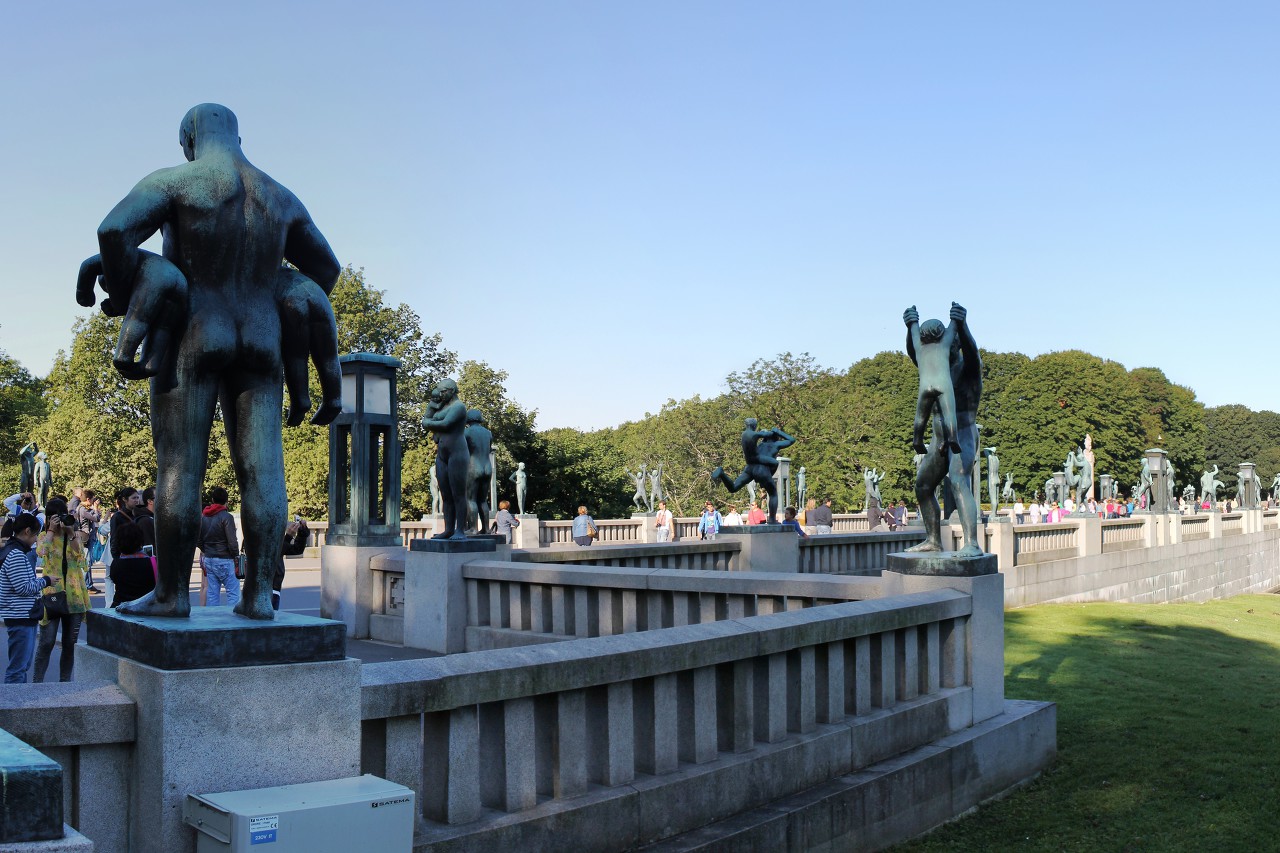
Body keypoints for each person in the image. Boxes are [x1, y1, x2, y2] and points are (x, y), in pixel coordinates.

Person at [90, 104, 342, 621]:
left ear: (189, 138)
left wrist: (125, 289)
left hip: (195, 329)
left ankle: (172, 594)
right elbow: (326, 269)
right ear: (238, 135)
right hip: (262, 336)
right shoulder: (279, 195)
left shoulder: (177, 181)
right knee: (264, 469)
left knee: (180, 466)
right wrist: (273, 289)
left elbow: (114, 232)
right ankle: (258, 598)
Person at [903, 302, 983, 556]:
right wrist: (909, 327)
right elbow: (916, 351)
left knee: (959, 480)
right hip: (939, 438)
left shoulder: (967, 371)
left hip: (963, 434)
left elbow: (974, 356)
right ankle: (933, 540)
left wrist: (962, 324)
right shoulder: (936, 368)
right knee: (922, 486)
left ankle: (972, 544)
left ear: (955, 345)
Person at [711, 419, 796, 523]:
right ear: (776, 438)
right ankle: (772, 519)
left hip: (750, 468)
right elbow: (792, 440)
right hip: (762, 469)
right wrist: (778, 431)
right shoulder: (775, 445)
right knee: (773, 493)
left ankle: (722, 474)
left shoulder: (760, 445)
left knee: (733, 488)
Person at [0, 514, 52, 683]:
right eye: (36, 534)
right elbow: (23, 588)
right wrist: (46, 581)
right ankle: (12, 706)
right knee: (18, 669)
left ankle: (16, 704)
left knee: (21, 666)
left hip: (22, 615)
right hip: (20, 616)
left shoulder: (14, 551)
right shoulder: (15, 554)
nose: (37, 539)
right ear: (27, 531)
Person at [422, 379, 471, 540]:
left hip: (457, 453)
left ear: (451, 390)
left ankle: (460, 530)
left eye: (442, 392)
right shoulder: (443, 407)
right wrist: (431, 403)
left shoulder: (459, 407)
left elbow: (445, 424)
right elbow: (426, 420)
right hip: (442, 455)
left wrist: (429, 422)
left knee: (458, 493)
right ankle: (448, 529)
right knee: (445, 494)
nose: (440, 394)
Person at [198, 487, 240, 607]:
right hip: (225, 558)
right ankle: (233, 622)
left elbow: (198, 539)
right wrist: (235, 555)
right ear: (226, 501)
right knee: (233, 594)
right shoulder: (227, 517)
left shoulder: (204, 517)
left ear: (212, 500)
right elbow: (232, 541)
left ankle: (213, 621)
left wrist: (206, 549)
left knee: (212, 593)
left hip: (209, 559)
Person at [109, 520, 157, 608]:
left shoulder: (116, 563)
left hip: (121, 605)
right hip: (145, 606)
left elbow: (113, 578)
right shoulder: (152, 562)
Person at [274, 517, 310, 610]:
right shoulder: (255, 533)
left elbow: (296, 549)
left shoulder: (275, 536)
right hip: (260, 588)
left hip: (275, 586)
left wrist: (302, 533)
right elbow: (270, 553)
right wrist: (288, 537)